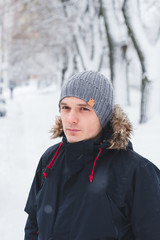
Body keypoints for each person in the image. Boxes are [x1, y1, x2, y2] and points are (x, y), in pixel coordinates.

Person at [24, 71, 160, 240]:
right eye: (66, 107)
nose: (71, 118)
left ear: (103, 115)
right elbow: (33, 224)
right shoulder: (50, 159)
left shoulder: (137, 171)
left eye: (84, 109)